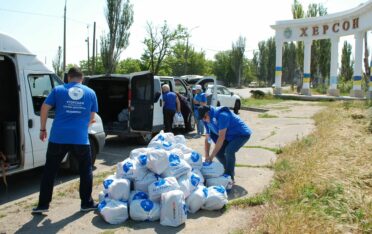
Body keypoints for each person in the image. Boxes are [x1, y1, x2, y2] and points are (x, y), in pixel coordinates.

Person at [32, 67, 98, 214]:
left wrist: (42, 129)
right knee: (86, 170)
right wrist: (81, 127)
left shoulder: (58, 90)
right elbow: (91, 118)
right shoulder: (90, 93)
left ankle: (42, 205)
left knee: (50, 171)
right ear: (82, 78)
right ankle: (86, 203)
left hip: (58, 137)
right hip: (80, 139)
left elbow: (44, 108)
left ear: (68, 77)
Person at [198, 105, 252, 182]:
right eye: (202, 118)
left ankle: (229, 177)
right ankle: (228, 170)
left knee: (229, 151)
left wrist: (211, 156)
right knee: (218, 153)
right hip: (229, 135)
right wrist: (207, 155)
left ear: (208, 113)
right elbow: (207, 138)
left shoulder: (222, 115)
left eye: (205, 117)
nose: (204, 120)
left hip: (240, 135)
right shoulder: (206, 119)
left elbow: (221, 137)